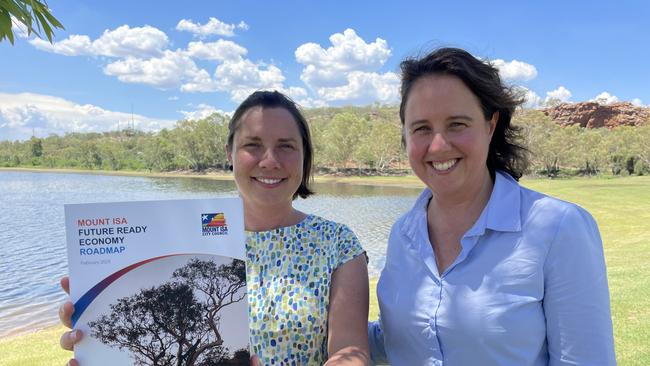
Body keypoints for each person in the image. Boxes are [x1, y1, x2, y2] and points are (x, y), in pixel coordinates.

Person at [59, 90, 370, 366]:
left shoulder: (337, 244)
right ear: (229, 154)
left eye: (286, 146)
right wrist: (97, 338)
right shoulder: (184, 237)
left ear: (305, 156)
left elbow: (350, 352)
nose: (270, 160)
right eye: (253, 145)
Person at [368, 48, 616, 365]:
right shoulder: (402, 234)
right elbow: (397, 339)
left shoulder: (559, 228)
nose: (439, 145)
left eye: (457, 124)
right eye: (421, 128)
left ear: (490, 125)